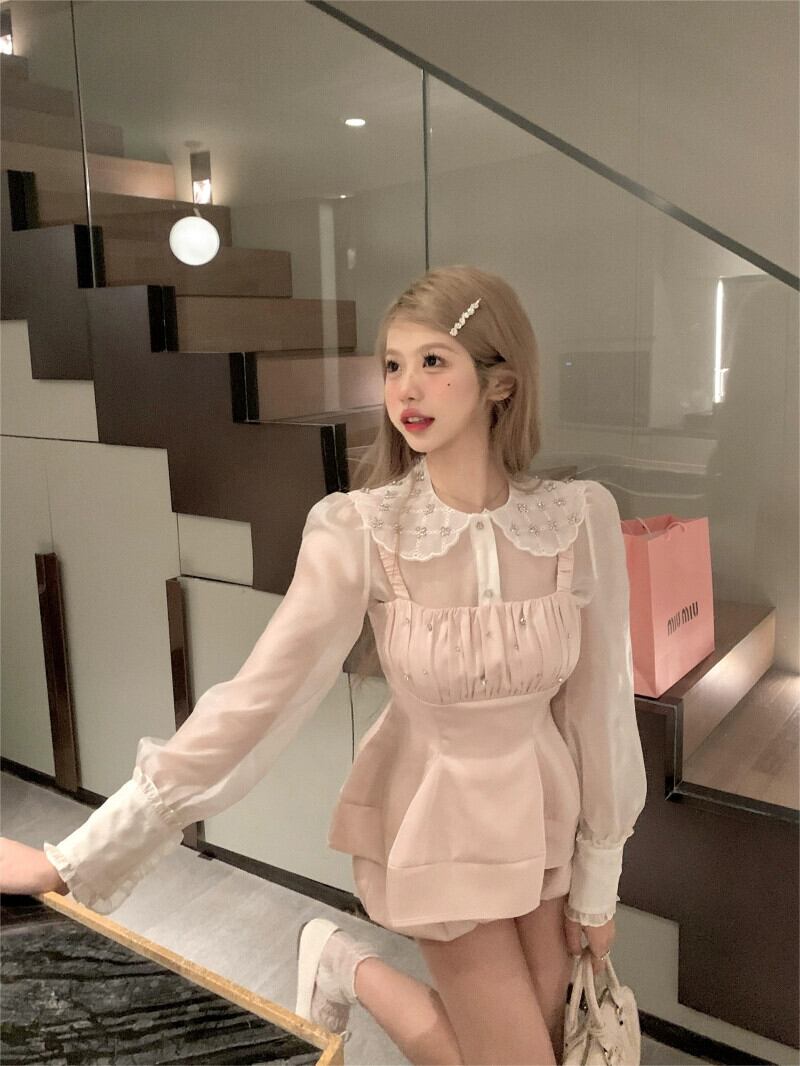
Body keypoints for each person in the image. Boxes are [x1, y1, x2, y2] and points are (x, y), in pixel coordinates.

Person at [0, 264, 648, 1065]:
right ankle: (351, 966)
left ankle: (339, 962)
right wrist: (78, 858)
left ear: (501, 383)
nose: (406, 388)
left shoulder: (577, 519)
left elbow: (599, 709)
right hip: (436, 823)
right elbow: (259, 699)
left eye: (433, 361)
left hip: (544, 821)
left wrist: (598, 883)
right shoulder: (363, 531)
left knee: (554, 1044)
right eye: (392, 365)